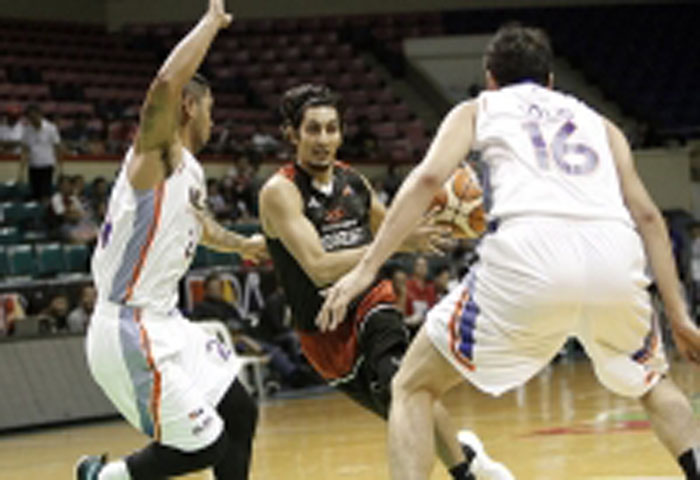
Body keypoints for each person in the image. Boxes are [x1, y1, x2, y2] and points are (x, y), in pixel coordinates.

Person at [319, 24, 700, 480]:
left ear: (490, 78)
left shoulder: (479, 108)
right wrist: (679, 316)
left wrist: (367, 267)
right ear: (551, 81)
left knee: (412, 385)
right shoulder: (602, 124)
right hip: (612, 254)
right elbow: (651, 218)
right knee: (653, 382)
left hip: (530, 255)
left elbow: (425, 180)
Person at [258, 83, 510, 480]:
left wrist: (442, 220)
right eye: (313, 129)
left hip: (372, 305)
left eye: (331, 128)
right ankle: (467, 455)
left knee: (401, 381)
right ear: (292, 133)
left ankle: (467, 475)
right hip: (324, 335)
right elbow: (319, 267)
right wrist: (397, 243)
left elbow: (393, 226)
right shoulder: (281, 192)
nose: (324, 139)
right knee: (406, 406)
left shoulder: (353, 181)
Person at [76, 2, 268, 479]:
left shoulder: (193, 172)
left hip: (166, 321)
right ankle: (103, 478)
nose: (212, 121)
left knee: (240, 412)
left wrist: (242, 246)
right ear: (189, 106)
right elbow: (164, 84)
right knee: (205, 446)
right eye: (209, 111)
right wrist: (211, 23)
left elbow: (200, 224)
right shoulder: (155, 156)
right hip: (127, 328)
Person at [18, 104, 65, 203]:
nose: (33, 120)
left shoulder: (51, 128)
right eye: (30, 118)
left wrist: (60, 168)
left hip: (47, 165)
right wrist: (21, 171)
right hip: (33, 166)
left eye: (34, 117)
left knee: (45, 194)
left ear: (40, 115)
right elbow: (25, 151)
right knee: (35, 194)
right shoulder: (27, 130)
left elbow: (58, 148)